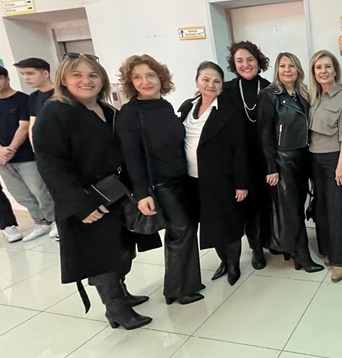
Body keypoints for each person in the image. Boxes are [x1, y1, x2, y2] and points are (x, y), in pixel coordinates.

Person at [34, 53, 159, 330]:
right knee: (102, 257)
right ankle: (116, 308)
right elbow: (50, 165)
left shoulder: (108, 111)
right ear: (64, 80)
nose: (86, 81)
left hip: (115, 195)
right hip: (86, 200)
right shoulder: (56, 112)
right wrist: (80, 205)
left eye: (92, 75)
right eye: (77, 75)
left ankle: (121, 293)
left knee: (122, 250)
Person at [115, 55, 204, 305]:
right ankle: (178, 290)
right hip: (159, 183)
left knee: (184, 231)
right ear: (130, 83)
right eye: (137, 77)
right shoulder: (130, 113)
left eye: (150, 75)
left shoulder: (164, 106)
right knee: (181, 230)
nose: (145, 81)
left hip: (180, 178)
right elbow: (131, 158)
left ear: (160, 77)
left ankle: (185, 283)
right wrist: (142, 193)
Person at [178, 61, 250, 287]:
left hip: (222, 179)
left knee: (228, 224)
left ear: (222, 85)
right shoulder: (187, 107)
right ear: (197, 81)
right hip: (192, 180)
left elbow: (240, 149)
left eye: (217, 81)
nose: (211, 85)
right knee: (209, 224)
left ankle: (234, 264)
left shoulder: (229, 111)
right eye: (206, 80)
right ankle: (224, 261)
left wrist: (241, 183)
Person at [257, 52, 323, 273]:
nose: (287, 70)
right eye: (283, 66)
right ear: (277, 70)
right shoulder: (269, 95)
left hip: (302, 158)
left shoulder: (303, 94)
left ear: (298, 70)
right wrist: (271, 167)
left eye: (291, 66)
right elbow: (264, 134)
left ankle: (292, 249)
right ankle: (301, 254)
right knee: (291, 210)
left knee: (297, 206)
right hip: (282, 160)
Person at [223, 41, 273, 270]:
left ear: (258, 61)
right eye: (239, 61)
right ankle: (256, 248)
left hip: (267, 157)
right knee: (249, 206)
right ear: (234, 65)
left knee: (267, 203)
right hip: (240, 159)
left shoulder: (269, 88)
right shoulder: (227, 90)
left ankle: (269, 240)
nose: (245, 65)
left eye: (250, 59)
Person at [308, 50, 342, 283]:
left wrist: (341, 165)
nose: (323, 71)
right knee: (322, 209)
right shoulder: (314, 98)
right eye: (318, 67)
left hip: (335, 159)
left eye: (328, 66)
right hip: (314, 160)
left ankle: (341, 261)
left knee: (338, 210)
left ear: (335, 70)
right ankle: (327, 249)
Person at [0, 65, 56, 242]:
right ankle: (41, 222)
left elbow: (24, 126)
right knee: (21, 194)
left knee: (40, 191)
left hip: (26, 156)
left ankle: (55, 220)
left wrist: (10, 149)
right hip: (3, 160)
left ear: (7, 78)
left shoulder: (23, 99)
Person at [14, 57, 54, 150]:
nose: (26, 78)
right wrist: (35, 148)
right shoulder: (33, 96)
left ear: (45, 73)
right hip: (44, 150)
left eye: (30, 73)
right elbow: (33, 124)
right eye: (23, 74)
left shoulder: (63, 93)